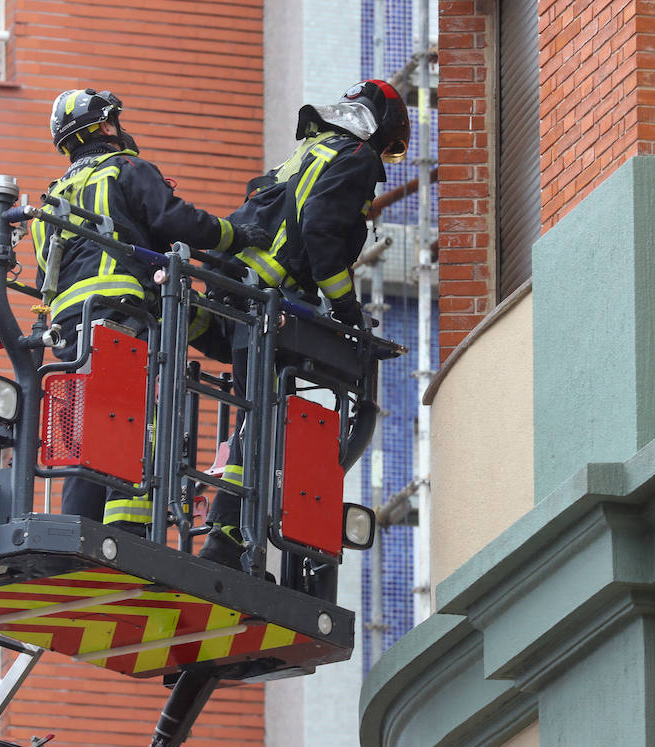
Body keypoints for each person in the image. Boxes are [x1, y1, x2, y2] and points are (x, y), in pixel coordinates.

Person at [31, 87, 268, 532]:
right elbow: (175, 219)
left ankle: (78, 527)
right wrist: (235, 237)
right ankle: (130, 531)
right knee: (141, 417)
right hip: (124, 316)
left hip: (70, 329)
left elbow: (53, 269)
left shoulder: (51, 201)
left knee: (88, 424)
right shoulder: (125, 169)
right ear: (105, 126)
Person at [199, 79, 411, 568]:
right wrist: (346, 312)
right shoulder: (356, 157)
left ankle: (228, 534)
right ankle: (226, 539)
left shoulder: (309, 151)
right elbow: (321, 233)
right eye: (393, 146)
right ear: (381, 127)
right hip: (272, 302)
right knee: (265, 415)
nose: (386, 156)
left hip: (244, 292)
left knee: (260, 413)